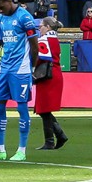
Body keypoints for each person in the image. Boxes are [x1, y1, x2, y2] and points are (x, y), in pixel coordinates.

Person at [0, 0, 37, 163]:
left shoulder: (25, 17)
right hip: (4, 68)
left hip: (21, 69)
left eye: (1, 7)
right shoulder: (0, 19)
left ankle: (21, 150)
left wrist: (33, 68)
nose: (0, 11)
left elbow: (34, 45)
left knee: (21, 108)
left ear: (9, 1)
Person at [34, 17, 68, 150]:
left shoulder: (44, 39)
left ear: (47, 27)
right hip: (54, 74)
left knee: (43, 109)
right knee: (44, 109)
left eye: (41, 25)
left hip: (47, 76)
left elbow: (41, 58)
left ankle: (53, 139)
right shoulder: (54, 39)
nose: (39, 28)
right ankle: (57, 137)